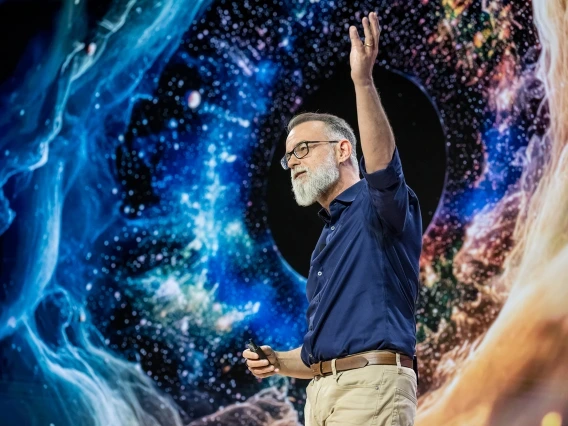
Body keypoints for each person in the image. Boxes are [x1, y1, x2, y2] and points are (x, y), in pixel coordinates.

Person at [243, 11, 421, 426]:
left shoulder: (379, 204)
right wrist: (277, 361)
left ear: (343, 151)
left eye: (303, 149)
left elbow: (381, 164)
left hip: (371, 390)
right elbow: (323, 357)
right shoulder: (328, 238)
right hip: (323, 395)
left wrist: (362, 81)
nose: (294, 163)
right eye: (290, 157)